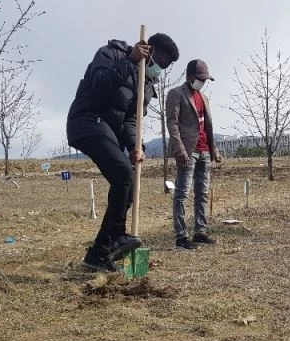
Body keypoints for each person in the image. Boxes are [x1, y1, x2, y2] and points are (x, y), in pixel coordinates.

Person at [67, 33, 179, 271]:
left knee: (128, 186)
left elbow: (131, 120)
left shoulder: (146, 85)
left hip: (109, 131)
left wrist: (136, 147)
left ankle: (99, 253)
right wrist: (129, 60)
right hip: (87, 120)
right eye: (160, 62)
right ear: (149, 50)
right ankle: (117, 235)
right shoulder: (112, 53)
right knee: (122, 174)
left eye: (165, 67)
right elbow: (98, 85)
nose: (160, 69)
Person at [167, 59, 221, 250]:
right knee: (182, 193)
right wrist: (180, 149)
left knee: (202, 193)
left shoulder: (204, 97)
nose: (203, 82)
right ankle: (181, 236)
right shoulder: (175, 94)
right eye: (200, 78)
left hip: (205, 151)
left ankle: (201, 231)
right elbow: (172, 124)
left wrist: (214, 149)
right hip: (187, 152)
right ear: (190, 76)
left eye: (205, 79)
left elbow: (208, 125)